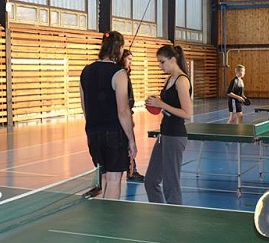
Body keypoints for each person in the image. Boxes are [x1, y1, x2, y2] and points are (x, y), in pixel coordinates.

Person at [80, 31, 137, 199]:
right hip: (114, 134)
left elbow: (84, 106)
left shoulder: (86, 71)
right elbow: (123, 111)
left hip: (93, 133)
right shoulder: (119, 73)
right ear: (120, 48)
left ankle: (103, 215)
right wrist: (131, 140)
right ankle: (111, 215)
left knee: (103, 178)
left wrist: (94, 128)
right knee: (113, 179)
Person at [144, 45, 193, 205]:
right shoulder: (168, 79)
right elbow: (168, 107)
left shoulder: (182, 81)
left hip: (175, 136)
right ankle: (161, 214)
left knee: (171, 186)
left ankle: (175, 217)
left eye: (162, 62)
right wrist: (155, 104)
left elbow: (187, 113)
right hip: (164, 134)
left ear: (173, 60)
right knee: (151, 181)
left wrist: (161, 104)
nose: (160, 66)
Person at [118, 49, 145, 181]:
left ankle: (132, 170)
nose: (130, 62)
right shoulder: (120, 76)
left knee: (129, 144)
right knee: (128, 144)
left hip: (128, 114)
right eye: (128, 59)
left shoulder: (126, 75)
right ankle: (130, 171)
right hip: (123, 117)